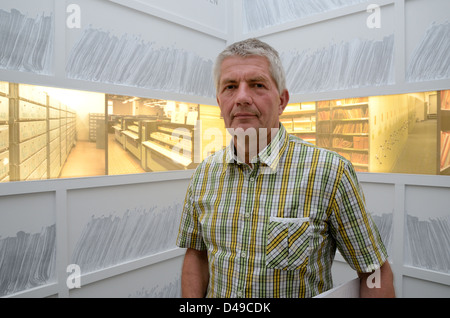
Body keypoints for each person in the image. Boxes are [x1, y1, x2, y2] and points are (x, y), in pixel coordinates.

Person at [176, 38, 395, 298]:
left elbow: (374, 271)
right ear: (220, 102)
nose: (242, 97)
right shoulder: (204, 174)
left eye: (257, 85)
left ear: (282, 101)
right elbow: (196, 255)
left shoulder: (329, 172)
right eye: (230, 86)